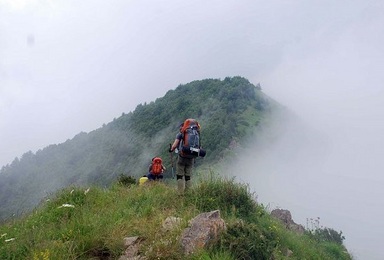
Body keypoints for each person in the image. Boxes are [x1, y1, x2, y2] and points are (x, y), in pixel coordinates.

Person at [169, 119, 201, 195]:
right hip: (191, 157)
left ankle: (180, 193)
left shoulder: (181, 134)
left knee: (180, 176)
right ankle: (188, 193)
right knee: (188, 176)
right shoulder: (196, 133)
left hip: (182, 157)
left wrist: (171, 149)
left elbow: (174, 145)